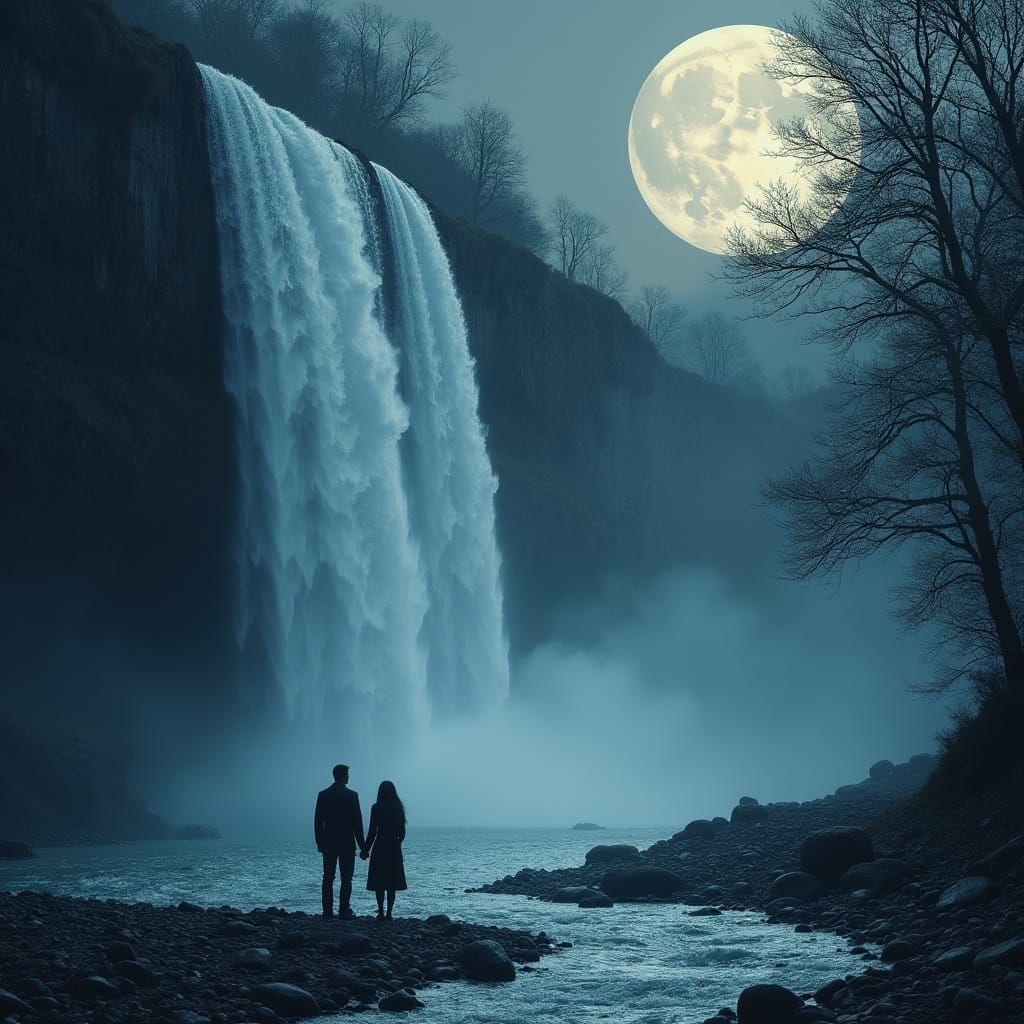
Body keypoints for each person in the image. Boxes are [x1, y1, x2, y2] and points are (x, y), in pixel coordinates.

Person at [314, 764, 366, 919]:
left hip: (328, 842)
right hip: (347, 842)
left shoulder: (323, 795)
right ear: (344, 776)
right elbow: (357, 824)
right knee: (346, 878)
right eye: (348, 774)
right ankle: (344, 910)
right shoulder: (352, 795)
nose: (349, 776)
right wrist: (363, 847)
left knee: (328, 877)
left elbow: (318, 822)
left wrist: (320, 843)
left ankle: (327, 911)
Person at [362, 780, 407, 920]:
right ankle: (389, 913)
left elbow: (372, 831)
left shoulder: (376, 808)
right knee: (392, 882)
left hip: (380, 847)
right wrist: (397, 843)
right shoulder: (398, 808)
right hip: (393, 847)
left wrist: (365, 849)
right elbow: (402, 831)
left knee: (379, 882)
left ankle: (381, 912)